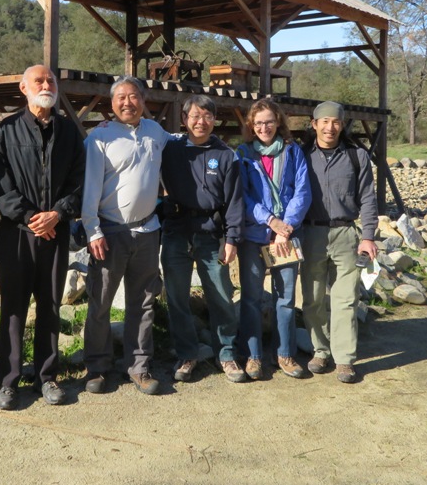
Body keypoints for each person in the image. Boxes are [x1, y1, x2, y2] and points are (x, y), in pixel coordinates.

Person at [0, 65, 86, 410]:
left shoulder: (70, 132)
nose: (46, 85)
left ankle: (47, 377)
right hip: (17, 234)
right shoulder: (7, 130)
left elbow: (78, 180)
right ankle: (8, 382)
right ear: (24, 88)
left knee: (50, 304)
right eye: (39, 81)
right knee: (13, 309)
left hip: (55, 232)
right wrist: (31, 217)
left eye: (50, 81)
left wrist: (58, 213)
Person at [81, 76, 171, 396]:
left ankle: (140, 366)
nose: (127, 103)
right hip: (109, 232)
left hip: (147, 230)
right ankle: (97, 366)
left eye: (133, 97)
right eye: (121, 97)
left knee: (144, 302)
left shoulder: (155, 132)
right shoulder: (100, 138)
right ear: (111, 104)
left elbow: (179, 143)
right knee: (100, 302)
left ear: (143, 101)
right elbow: (89, 188)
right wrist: (91, 230)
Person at [160, 95, 247, 384]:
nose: (201, 121)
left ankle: (226, 353)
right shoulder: (170, 148)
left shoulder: (225, 154)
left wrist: (232, 238)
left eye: (207, 116)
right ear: (184, 120)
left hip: (212, 232)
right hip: (176, 230)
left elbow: (235, 201)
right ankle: (187, 352)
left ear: (215, 119)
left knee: (221, 294)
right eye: (195, 116)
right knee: (176, 296)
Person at [299, 101, 378, 384]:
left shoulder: (357, 156)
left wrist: (367, 236)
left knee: (346, 300)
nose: (330, 127)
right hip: (310, 234)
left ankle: (344, 359)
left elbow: (368, 197)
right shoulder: (301, 155)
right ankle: (320, 351)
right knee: (313, 297)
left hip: (346, 234)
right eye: (324, 121)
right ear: (314, 124)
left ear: (342, 125)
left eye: (335, 122)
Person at [235, 99, 311, 380]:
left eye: (269, 121)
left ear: (278, 122)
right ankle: (253, 355)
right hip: (254, 235)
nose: (264, 127)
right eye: (258, 123)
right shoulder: (243, 153)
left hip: (286, 238)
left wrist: (285, 227)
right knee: (251, 297)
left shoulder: (293, 152)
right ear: (251, 127)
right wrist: (270, 221)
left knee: (286, 297)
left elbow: (302, 191)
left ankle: (285, 353)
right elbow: (243, 196)